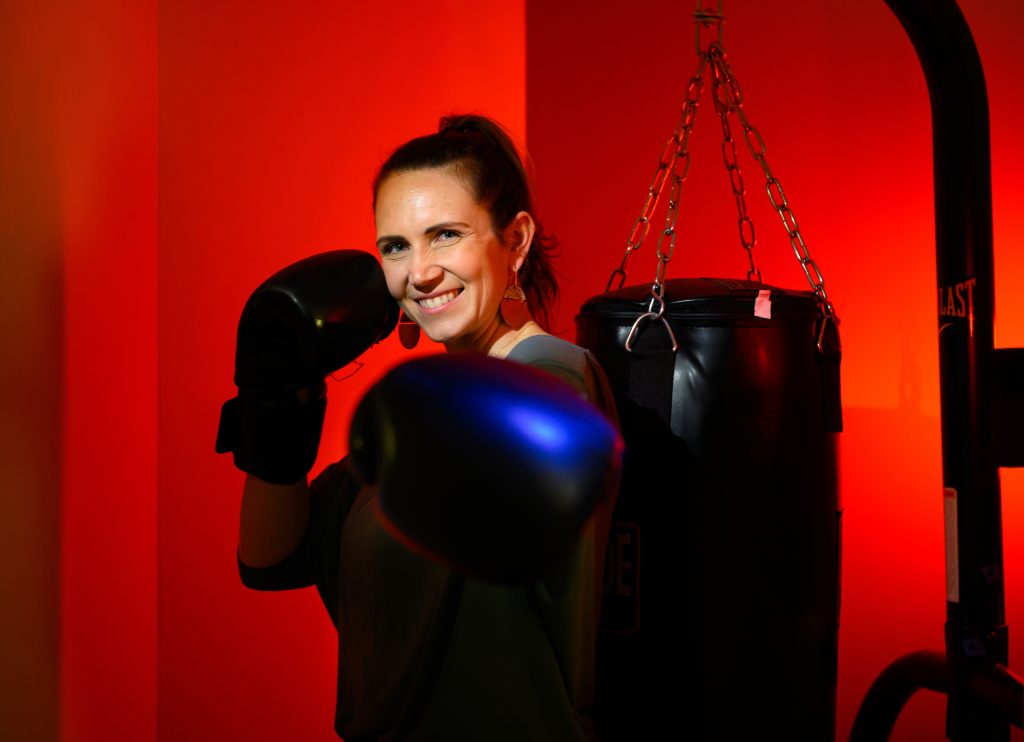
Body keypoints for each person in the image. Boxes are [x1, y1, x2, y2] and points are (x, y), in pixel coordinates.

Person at [230, 114, 620, 741]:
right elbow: (267, 555)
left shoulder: (555, 371)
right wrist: (279, 398)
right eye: (395, 247)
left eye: (445, 235)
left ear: (514, 240)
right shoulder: (410, 426)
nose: (420, 273)